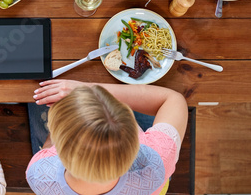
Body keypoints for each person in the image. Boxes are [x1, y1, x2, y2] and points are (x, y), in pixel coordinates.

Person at [26, 79, 188, 195]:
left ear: (59, 146)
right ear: (134, 139)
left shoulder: (39, 175)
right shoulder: (157, 161)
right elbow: (173, 99)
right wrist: (91, 88)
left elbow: (47, 148)